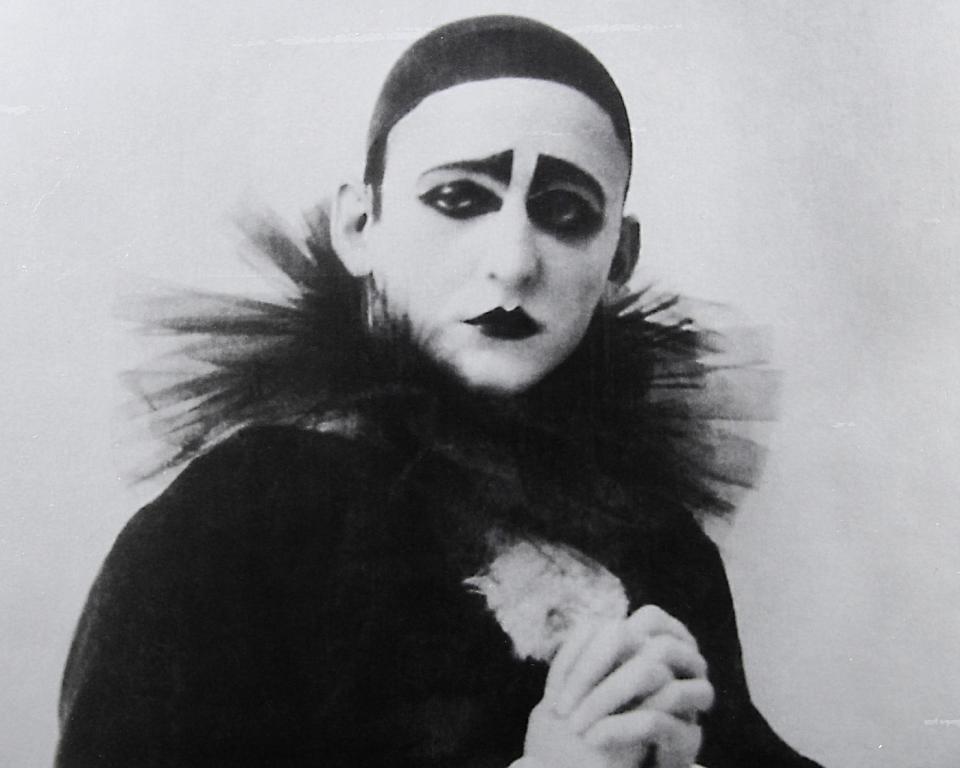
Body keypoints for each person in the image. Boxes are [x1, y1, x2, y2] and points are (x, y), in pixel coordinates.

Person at [56, 15, 823, 768]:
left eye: (565, 212)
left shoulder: (655, 541)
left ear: (619, 258)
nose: (514, 262)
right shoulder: (235, 522)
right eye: (459, 198)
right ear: (360, 225)